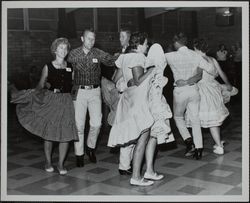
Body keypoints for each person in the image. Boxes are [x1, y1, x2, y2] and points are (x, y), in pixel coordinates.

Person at [10, 38, 78, 175]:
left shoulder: (71, 66)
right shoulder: (48, 66)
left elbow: (73, 85)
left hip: (66, 102)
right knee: (50, 133)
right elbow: (41, 85)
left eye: (65, 48)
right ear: (55, 50)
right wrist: (31, 95)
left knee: (65, 135)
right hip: (50, 100)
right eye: (60, 48)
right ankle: (48, 161)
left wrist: (74, 98)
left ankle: (60, 164)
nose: (63, 51)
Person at [108, 32, 165, 186]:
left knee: (140, 137)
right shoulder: (138, 57)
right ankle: (136, 177)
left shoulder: (124, 57)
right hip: (139, 102)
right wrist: (152, 70)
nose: (147, 47)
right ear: (139, 45)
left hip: (128, 100)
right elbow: (139, 80)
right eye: (146, 44)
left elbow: (115, 79)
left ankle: (139, 174)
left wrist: (128, 82)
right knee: (143, 139)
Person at [67, 28, 118, 167]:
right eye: (88, 38)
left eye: (93, 39)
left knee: (96, 123)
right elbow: (65, 64)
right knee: (79, 125)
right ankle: (79, 154)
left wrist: (124, 54)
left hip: (95, 91)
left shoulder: (98, 53)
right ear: (82, 39)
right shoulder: (73, 54)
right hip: (79, 91)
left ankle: (90, 148)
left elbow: (111, 60)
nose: (91, 41)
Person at [177, 39, 234, 155]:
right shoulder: (212, 59)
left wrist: (184, 82)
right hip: (213, 89)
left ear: (196, 48)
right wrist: (228, 84)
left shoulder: (197, 59)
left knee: (197, 119)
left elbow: (196, 77)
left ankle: (202, 145)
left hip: (201, 91)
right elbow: (221, 73)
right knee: (213, 120)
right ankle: (218, 143)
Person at [165, 32, 215, 160]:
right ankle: (199, 149)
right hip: (194, 90)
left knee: (177, 117)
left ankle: (189, 142)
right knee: (195, 119)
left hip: (180, 91)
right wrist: (198, 72)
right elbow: (212, 70)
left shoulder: (170, 56)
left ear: (176, 43)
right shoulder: (195, 55)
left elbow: (153, 62)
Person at [102, 28, 136, 175]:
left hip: (130, 94)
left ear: (129, 38)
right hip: (124, 95)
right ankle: (125, 165)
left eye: (123, 36)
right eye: (120, 36)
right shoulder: (122, 55)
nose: (120, 39)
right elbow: (116, 77)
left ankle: (129, 163)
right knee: (128, 129)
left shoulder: (129, 54)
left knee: (133, 129)